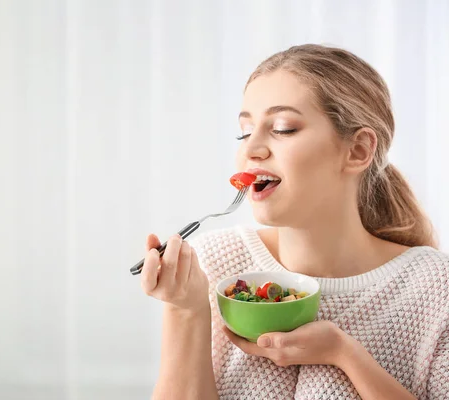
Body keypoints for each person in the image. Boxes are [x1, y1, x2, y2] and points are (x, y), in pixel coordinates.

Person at [139, 44, 449, 399]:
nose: (251, 149)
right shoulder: (209, 265)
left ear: (358, 151)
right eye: (245, 131)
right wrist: (186, 311)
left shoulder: (437, 288)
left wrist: (343, 354)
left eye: (283, 129)